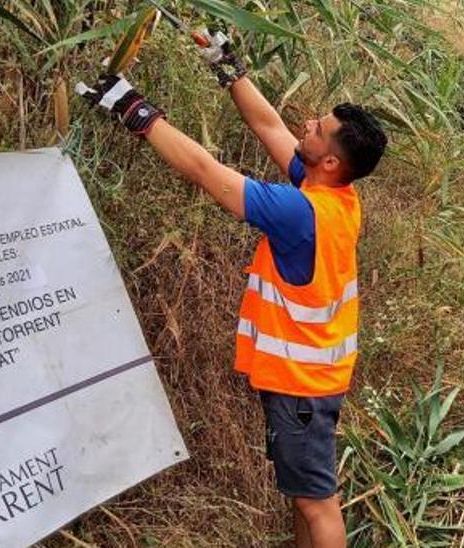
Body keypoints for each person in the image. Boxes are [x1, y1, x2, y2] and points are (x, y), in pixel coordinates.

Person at [76, 32, 387, 548]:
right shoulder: (334, 197)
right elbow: (267, 124)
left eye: (319, 129)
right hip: (311, 379)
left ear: (330, 161)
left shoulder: (300, 213)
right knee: (304, 497)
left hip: (302, 384)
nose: (306, 125)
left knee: (317, 503)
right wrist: (229, 68)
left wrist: (134, 110)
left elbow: (205, 170)